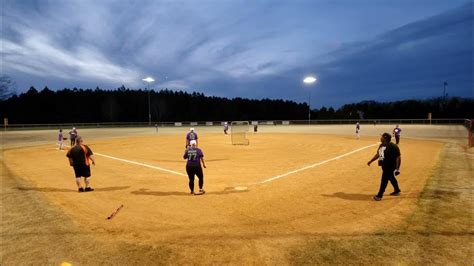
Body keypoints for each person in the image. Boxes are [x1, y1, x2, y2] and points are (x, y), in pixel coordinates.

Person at [367, 133, 401, 201]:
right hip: (384, 165)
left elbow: (398, 157)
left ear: (385, 138)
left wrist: (397, 169)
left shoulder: (393, 146)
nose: (380, 138)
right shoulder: (381, 145)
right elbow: (378, 154)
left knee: (384, 180)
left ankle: (379, 195)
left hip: (390, 166)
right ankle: (397, 190)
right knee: (391, 177)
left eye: (381, 137)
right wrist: (371, 161)